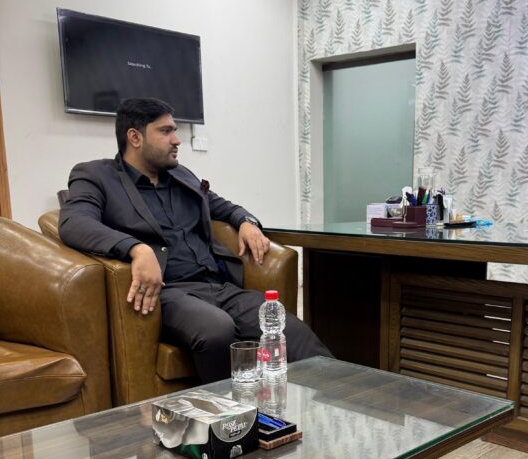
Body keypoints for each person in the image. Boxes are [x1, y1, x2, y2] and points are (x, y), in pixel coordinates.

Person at [59, 97, 331, 384]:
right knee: (216, 329)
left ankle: (337, 400)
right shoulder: (97, 175)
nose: (176, 140)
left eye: (175, 131)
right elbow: (73, 222)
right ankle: (232, 410)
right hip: (170, 292)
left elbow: (222, 206)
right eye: (165, 131)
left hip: (220, 286)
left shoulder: (180, 175)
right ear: (135, 137)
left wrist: (246, 222)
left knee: (292, 331)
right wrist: (136, 248)